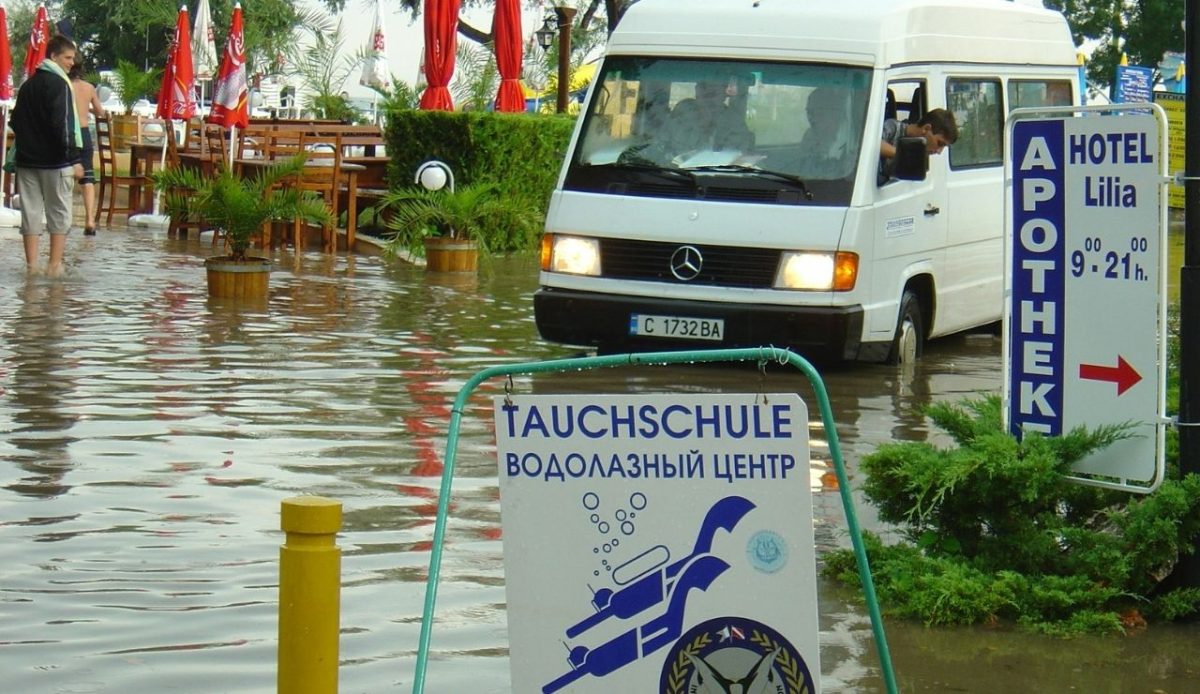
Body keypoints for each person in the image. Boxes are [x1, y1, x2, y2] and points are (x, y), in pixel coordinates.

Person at [11, 34, 83, 275]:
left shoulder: (28, 85)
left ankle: (31, 267)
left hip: (27, 160)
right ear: (53, 56)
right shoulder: (60, 85)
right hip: (56, 161)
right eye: (68, 57)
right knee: (59, 213)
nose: (72, 62)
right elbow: (62, 124)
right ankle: (54, 265)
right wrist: (74, 158)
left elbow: (15, 121)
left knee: (30, 213)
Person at [878, 107, 958, 185]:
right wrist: (902, 154)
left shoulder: (920, 156)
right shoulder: (893, 127)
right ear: (926, 129)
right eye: (940, 143)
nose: (939, 151)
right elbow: (873, 144)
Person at [70, 62, 104, 235]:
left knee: (63, 175)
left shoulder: (63, 85)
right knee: (88, 177)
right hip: (84, 133)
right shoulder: (89, 87)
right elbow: (100, 112)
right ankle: (90, 219)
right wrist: (87, 107)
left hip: (68, 133)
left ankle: (63, 218)